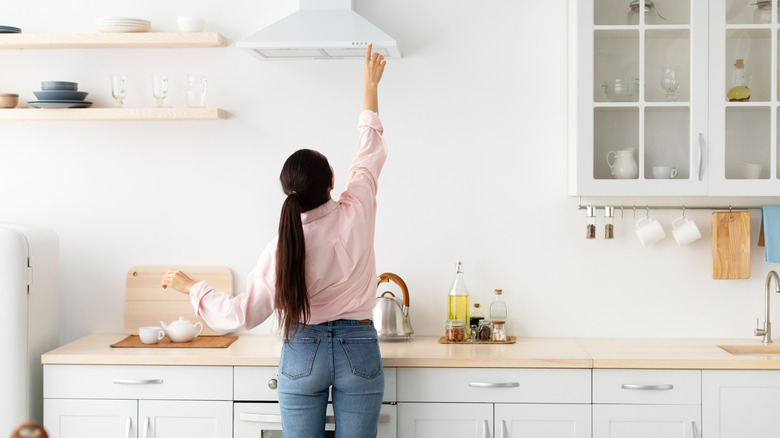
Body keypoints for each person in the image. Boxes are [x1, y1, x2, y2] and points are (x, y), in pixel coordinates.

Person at [160, 44, 388, 438]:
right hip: (359, 348)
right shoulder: (358, 209)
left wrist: (190, 287)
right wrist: (370, 88)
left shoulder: (283, 247)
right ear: (332, 180)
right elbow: (367, 154)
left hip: (302, 351)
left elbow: (242, 314)